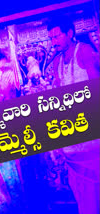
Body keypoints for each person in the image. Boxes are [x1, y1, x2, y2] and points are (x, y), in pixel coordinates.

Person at [48, 17, 100, 214]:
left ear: (69, 33)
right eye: (51, 37)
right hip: (73, 135)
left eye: (57, 35)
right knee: (83, 195)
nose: (54, 40)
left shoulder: (85, 51)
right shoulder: (57, 62)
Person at [47, 16, 99, 87]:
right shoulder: (57, 61)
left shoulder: (83, 50)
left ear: (70, 34)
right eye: (51, 39)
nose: (53, 43)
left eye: (56, 37)